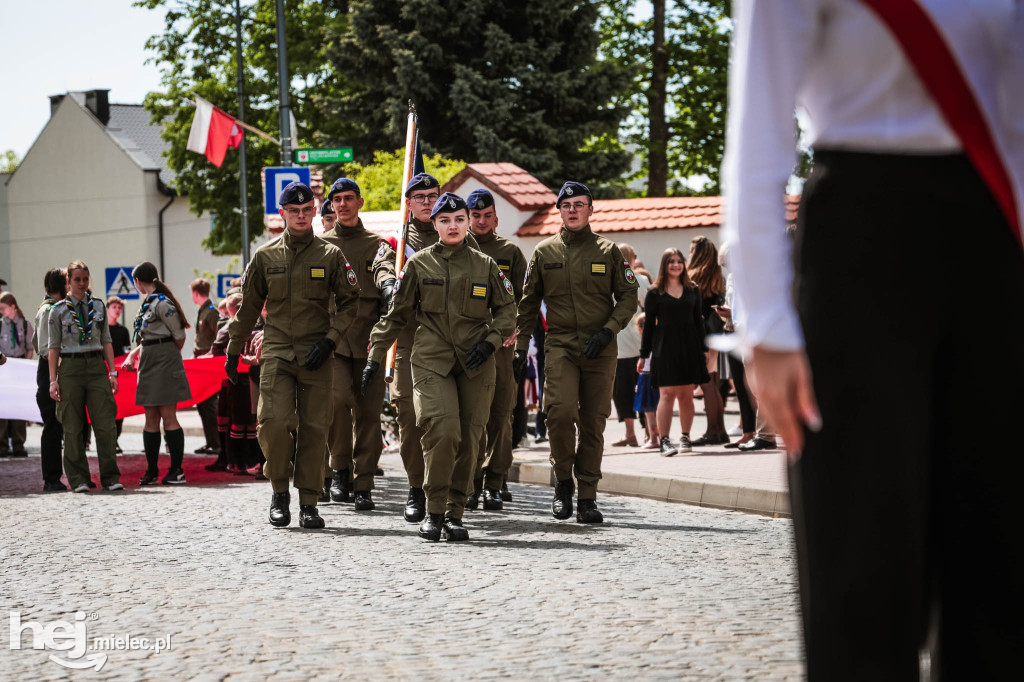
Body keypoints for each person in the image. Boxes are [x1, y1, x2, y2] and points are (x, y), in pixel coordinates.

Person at [724, 3, 1024, 679]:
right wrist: (765, 325)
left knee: (1001, 555)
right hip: (861, 240)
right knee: (860, 560)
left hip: (1000, 236)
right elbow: (759, 135)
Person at [363, 192, 516, 541]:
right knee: (442, 432)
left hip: (476, 362)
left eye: (459, 219)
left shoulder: (486, 266)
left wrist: (491, 342)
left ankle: (455, 513)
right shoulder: (419, 265)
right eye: (445, 220)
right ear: (434, 224)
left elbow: (509, 312)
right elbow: (395, 315)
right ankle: (433, 510)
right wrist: (375, 357)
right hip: (432, 360)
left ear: (467, 223)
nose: (453, 226)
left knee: (470, 439)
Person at [227, 181, 359, 529]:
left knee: (316, 429)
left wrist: (330, 341)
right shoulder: (266, 256)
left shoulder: (331, 256)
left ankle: (310, 502)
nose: (301, 216)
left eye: (306, 210)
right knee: (273, 422)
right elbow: (248, 307)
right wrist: (232, 349)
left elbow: (350, 303)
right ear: (283, 214)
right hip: (278, 353)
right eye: (293, 211)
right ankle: (279, 491)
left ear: (315, 212)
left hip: (318, 353)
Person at [514, 181, 639, 523]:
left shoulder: (608, 251)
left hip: (600, 346)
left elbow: (629, 296)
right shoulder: (544, 252)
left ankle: (587, 496)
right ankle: (563, 484)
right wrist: (521, 346)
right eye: (566, 205)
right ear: (559, 210)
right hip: (561, 345)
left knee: (593, 421)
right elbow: (527, 304)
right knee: (558, 412)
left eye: (579, 204)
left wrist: (609, 330)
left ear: (590, 209)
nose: (572, 210)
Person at [371, 172, 481, 523]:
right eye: (419, 196)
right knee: (409, 416)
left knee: (456, 421)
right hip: (408, 339)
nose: (426, 201)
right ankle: (417, 487)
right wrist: (390, 284)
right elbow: (382, 268)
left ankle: (452, 489)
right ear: (408, 203)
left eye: (432, 195)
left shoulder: (461, 238)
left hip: (453, 343)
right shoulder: (396, 241)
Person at [320, 177, 387, 511]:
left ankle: (363, 483)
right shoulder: (321, 246)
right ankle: (340, 468)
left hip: (371, 340)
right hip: (335, 340)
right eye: (337, 199)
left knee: (369, 414)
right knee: (336, 404)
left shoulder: (379, 245)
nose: (343, 204)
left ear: (360, 202)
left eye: (349, 198)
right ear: (331, 205)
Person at [463, 188, 526, 511]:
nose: (482, 221)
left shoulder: (510, 252)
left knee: (501, 414)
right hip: (467, 344)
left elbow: (523, 299)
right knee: (472, 415)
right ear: (468, 218)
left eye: (487, 215)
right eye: (476, 216)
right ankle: (471, 481)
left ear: (495, 217)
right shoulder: (458, 249)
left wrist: (516, 330)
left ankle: (495, 482)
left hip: (500, 344)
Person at [46, 261, 122, 492]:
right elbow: (53, 348)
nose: (81, 283)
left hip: (96, 366)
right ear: (68, 281)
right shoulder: (58, 310)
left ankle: (110, 477)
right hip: (70, 368)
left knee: (106, 424)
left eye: (85, 279)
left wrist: (113, 372)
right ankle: (78, 478)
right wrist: (53, 380)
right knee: (72, 426)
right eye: (77, 279)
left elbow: (106, 341)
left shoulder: (98, 306)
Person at [120, 263, 192, 485]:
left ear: (138, 281)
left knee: (168, 416)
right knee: (150, 417)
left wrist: (166, 355)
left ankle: (176, 471)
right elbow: (149, 337)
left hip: (163, 360)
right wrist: (135, 353)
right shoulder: (149, 303)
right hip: (149, 361)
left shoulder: (161, 303)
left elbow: (179, 336)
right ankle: (151, 470)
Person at [638, 248, 708, 456]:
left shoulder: (693, 290)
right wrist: (643, 355)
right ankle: (664, 441)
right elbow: (649, 326)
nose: (676, 265)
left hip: (689, 346)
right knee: (666, 394)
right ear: (664, 265)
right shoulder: (654, 292)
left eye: (679, 261)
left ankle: (685, 437)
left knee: (686, 395)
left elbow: (699, 322)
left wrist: (703, 349)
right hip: (664, 347)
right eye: (671, 261)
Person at [687, 236, 728, 446]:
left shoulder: (693, 278)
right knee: (713, 383)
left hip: (700, 338)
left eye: (692, 249)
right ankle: (720, 430)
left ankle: (712, 431)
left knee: (706, 385)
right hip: (715, 336)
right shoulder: (717, 277)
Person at [611, 243, 650, 448]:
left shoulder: (608, 280)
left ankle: (630, 433)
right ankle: (649, 432)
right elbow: (650, 308)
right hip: (640, 340)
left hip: (619, 343)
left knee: (622, 391)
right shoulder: (642, 281)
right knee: (643, 387)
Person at [34, 269, 68, 489]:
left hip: (50, 368)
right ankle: (52, 478)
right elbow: (47, 348)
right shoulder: (49, 310)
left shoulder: (45, 308)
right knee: (53, 426)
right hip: (50, 368)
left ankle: (55, 476)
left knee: (57, 425)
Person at [190, 278, 222, 457]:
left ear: (196, 293)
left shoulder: (211, 312)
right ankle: (210, 442)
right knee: (202, 403)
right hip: (200, 360)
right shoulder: (203, 311)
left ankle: (215, 442)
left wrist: (209, 354)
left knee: (209, 403)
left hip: (207, 362)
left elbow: (219, 337)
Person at [0, 291, 34, 457]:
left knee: (19, 407)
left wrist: (25, 364)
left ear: (12, 306)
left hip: (19, 368)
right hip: (3, 368)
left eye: (3, 308)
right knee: (3, 407)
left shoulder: (25, 324)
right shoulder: (0, 324)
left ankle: (19, 444)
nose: (1, 311)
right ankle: (2, 445)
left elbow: (30, 348)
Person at [104, 296, 131, 454]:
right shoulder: (102, 330)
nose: (117, 310)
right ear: (107, 309)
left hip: (119, 374)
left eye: (119, 308)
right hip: (103, 372)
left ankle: (115, 439)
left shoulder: (123, 331)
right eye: (114, 307)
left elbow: (126, 352)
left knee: (119, 408)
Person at [632, 313, 660, 450]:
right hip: (654, 375)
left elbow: (644, 365)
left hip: (647, 376)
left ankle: (654, 439)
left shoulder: (648, 342)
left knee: (649, 411)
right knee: (656, 409)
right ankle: (654, 436)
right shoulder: (658, 340)